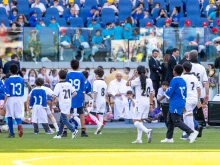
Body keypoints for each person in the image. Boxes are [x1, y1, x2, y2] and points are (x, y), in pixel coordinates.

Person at [161, 64, 198, 143]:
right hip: (180, 101)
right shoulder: (183, 80)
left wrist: (161, 97)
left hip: (175, 102)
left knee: (176, 120)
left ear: (174, 71)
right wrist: (184, 104)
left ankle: (191, 132)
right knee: (170, 119)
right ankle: (169, 138)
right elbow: (185, 94)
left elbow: (170, 91)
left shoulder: (174, 80)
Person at [126, 65, 153, 144]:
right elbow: (151, 93)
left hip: (140, 102)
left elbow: (127, 84)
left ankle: (147, 131)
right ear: (145, 72)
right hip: (146, 101)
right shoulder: (150, 80)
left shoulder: (137, 80)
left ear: (137, 72)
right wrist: (151, 103)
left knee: (135, 121)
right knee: (140, 120)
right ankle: (139, 139)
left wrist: (133, 76)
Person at [65, 59, 88, 137]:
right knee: (81, 114)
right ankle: (83, 131)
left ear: (71, 66)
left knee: (68, 113)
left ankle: (65, 130)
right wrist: (84, 99)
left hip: (70, 96)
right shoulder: (81, 75)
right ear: (79, 66)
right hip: (79, 97)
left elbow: (67, 86)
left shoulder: (68, 75)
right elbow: (83, 89)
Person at [53, 70, 78, 139]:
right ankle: (59, 134)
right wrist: (70, 97)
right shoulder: (69, 84)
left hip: (63, 103)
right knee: (62, 119)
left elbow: (54, 95)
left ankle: (73, 130)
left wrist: (57, 99)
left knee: (64, 119)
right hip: (68, 102)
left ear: (59, 76)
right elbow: (75, 93)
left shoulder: (58, 85)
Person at [189, 50, 209, 137]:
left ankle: (196, 127)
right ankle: (195, 127)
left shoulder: (186, 66)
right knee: (191, 113)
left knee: (187, 113)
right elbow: (206, 82)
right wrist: (207, 94)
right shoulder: (201, 67)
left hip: (189, 93)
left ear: (189, 57)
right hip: (199, 93)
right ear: (197, 57)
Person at [181, 61, 201, 140]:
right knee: (185, 115)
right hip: (194, 98)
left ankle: (192, 134)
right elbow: (198, 89)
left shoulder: (183, 77)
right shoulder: (194, 77)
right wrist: (199, 99)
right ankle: (186, 133)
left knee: (189, 115)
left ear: (184, 68)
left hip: (187, 98)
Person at [4, 64, 24, 138]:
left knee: (9, 115)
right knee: (18, 115)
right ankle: (19, 124)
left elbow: (7, 93)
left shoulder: (8, 80)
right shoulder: (21, 79)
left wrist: (4, 103)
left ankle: (12, 133)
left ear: (10, 71)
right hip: (19, 98)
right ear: (18, 70)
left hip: (11, 98)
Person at [88, 68, 107, 134]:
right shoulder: (104, 82)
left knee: (90, 113)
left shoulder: (96, 82)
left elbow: (95, 92)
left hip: (98, 100)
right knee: (100, 114)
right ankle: (99, 131)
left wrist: (95, 101)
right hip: (103, 100)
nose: (95, 75)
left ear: (97, 75)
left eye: (95, 74)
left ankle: (99, 124)